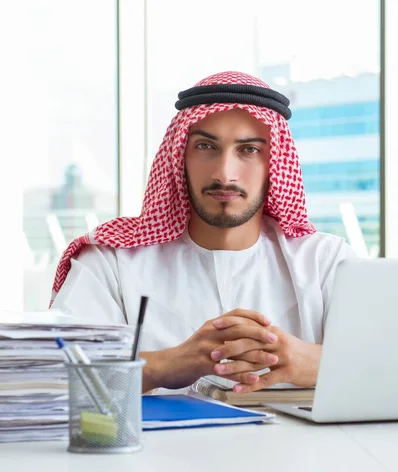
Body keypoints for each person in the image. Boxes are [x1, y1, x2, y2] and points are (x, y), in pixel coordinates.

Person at [50, 71, 356, 395]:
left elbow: (396, 367)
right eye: (206, 146)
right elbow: (50, 378)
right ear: (180, 157)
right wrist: (164, 365)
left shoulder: (325, 262)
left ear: (275, 164)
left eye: (249, 150)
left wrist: (316, 363)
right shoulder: (111, 262)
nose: (225, 173)